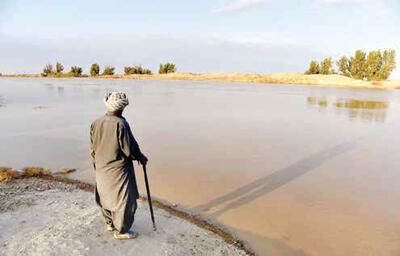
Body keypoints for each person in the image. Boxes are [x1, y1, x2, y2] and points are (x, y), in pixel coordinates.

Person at [90, 92, 148, 240]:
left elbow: (93, 148)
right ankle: (121, 231)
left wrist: (97, 164)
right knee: (125, 201)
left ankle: (109, 223)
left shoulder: (96, 122)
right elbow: (129, 149)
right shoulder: (121, 124)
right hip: (118, 170)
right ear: (122, 108)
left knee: (105, 195)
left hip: (101, 167)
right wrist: (140, 157)